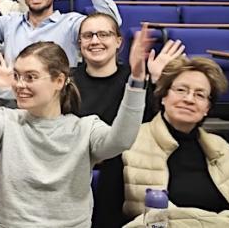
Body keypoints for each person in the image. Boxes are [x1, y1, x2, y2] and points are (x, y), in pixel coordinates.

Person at [0, 23, 153, 227]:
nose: (20, 85)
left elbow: (120, 141)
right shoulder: (6, 120)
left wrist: (137, 82)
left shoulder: (85, 128)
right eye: (17, 76)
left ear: (59, 81)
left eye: (30, 77)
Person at [70, 13, 180, 227]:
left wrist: (156, 81)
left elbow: (153, 125)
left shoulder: (136, 77)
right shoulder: (66, 81)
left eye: (104, 34)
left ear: (118, 41)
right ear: (80, 42)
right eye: (88, 35)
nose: (95, 41)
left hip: (127, 167)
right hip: (78, 163)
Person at [122, 57, 229, 222]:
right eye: (181, 90)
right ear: (163, 96)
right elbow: (107, 216)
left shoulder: (222, 149)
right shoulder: (129, 140)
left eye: (200, 95)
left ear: (207, 108)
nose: (189, 99)